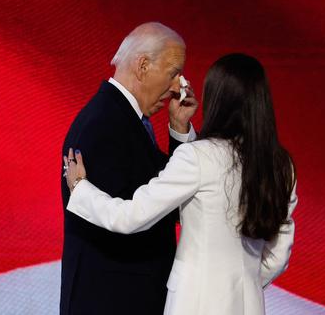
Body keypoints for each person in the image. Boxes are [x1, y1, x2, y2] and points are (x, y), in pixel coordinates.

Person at [64, 53, 298, 315]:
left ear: (217, 99)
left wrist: (81, 189)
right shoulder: (282, 166)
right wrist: (240, 285)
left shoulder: (199, 156)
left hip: (194, 304)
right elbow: (278, 255)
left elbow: (132, 216)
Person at [59, 22, 199, 315]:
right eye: (174, 73)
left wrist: (178, 130)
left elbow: (167, 194)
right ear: (143, 66)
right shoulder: (104, 125)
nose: (179, 87)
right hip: (113, 302)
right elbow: (136, 215)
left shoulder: (123, 120)